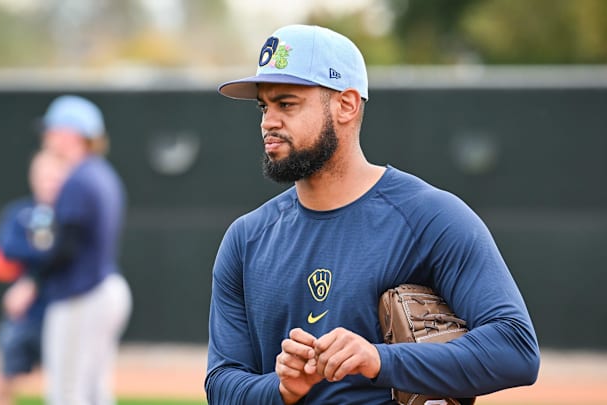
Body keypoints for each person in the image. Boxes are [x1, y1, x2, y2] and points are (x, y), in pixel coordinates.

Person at [205, 24, 540, 405]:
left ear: (346, 105)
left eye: (287, 103)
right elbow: (221, 384)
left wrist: (381, 359)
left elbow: (516, 348)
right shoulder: (246, 239)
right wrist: (280, 388)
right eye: (264, 107)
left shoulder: (430, 218)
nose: (268, 122)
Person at [1, 95, 132, 405]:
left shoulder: (79, 179)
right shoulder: (100, 174)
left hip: (82, 294)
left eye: (52, 130)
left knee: (66, 392)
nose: (47, 137)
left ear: (72, 134)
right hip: (103, 287)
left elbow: (65, 247)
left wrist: (31, 282)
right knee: (94, 390)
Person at [0, 149, 72, 405]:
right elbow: (4, 252)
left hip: (62, 308)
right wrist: (38, 258)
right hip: (26, 314)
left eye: (55, 175)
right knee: (4, 376)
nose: (49, 181)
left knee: (65, 384)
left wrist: (33, 278)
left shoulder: (71, 215)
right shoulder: (19, 212)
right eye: (44, 175)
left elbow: (64, 255)